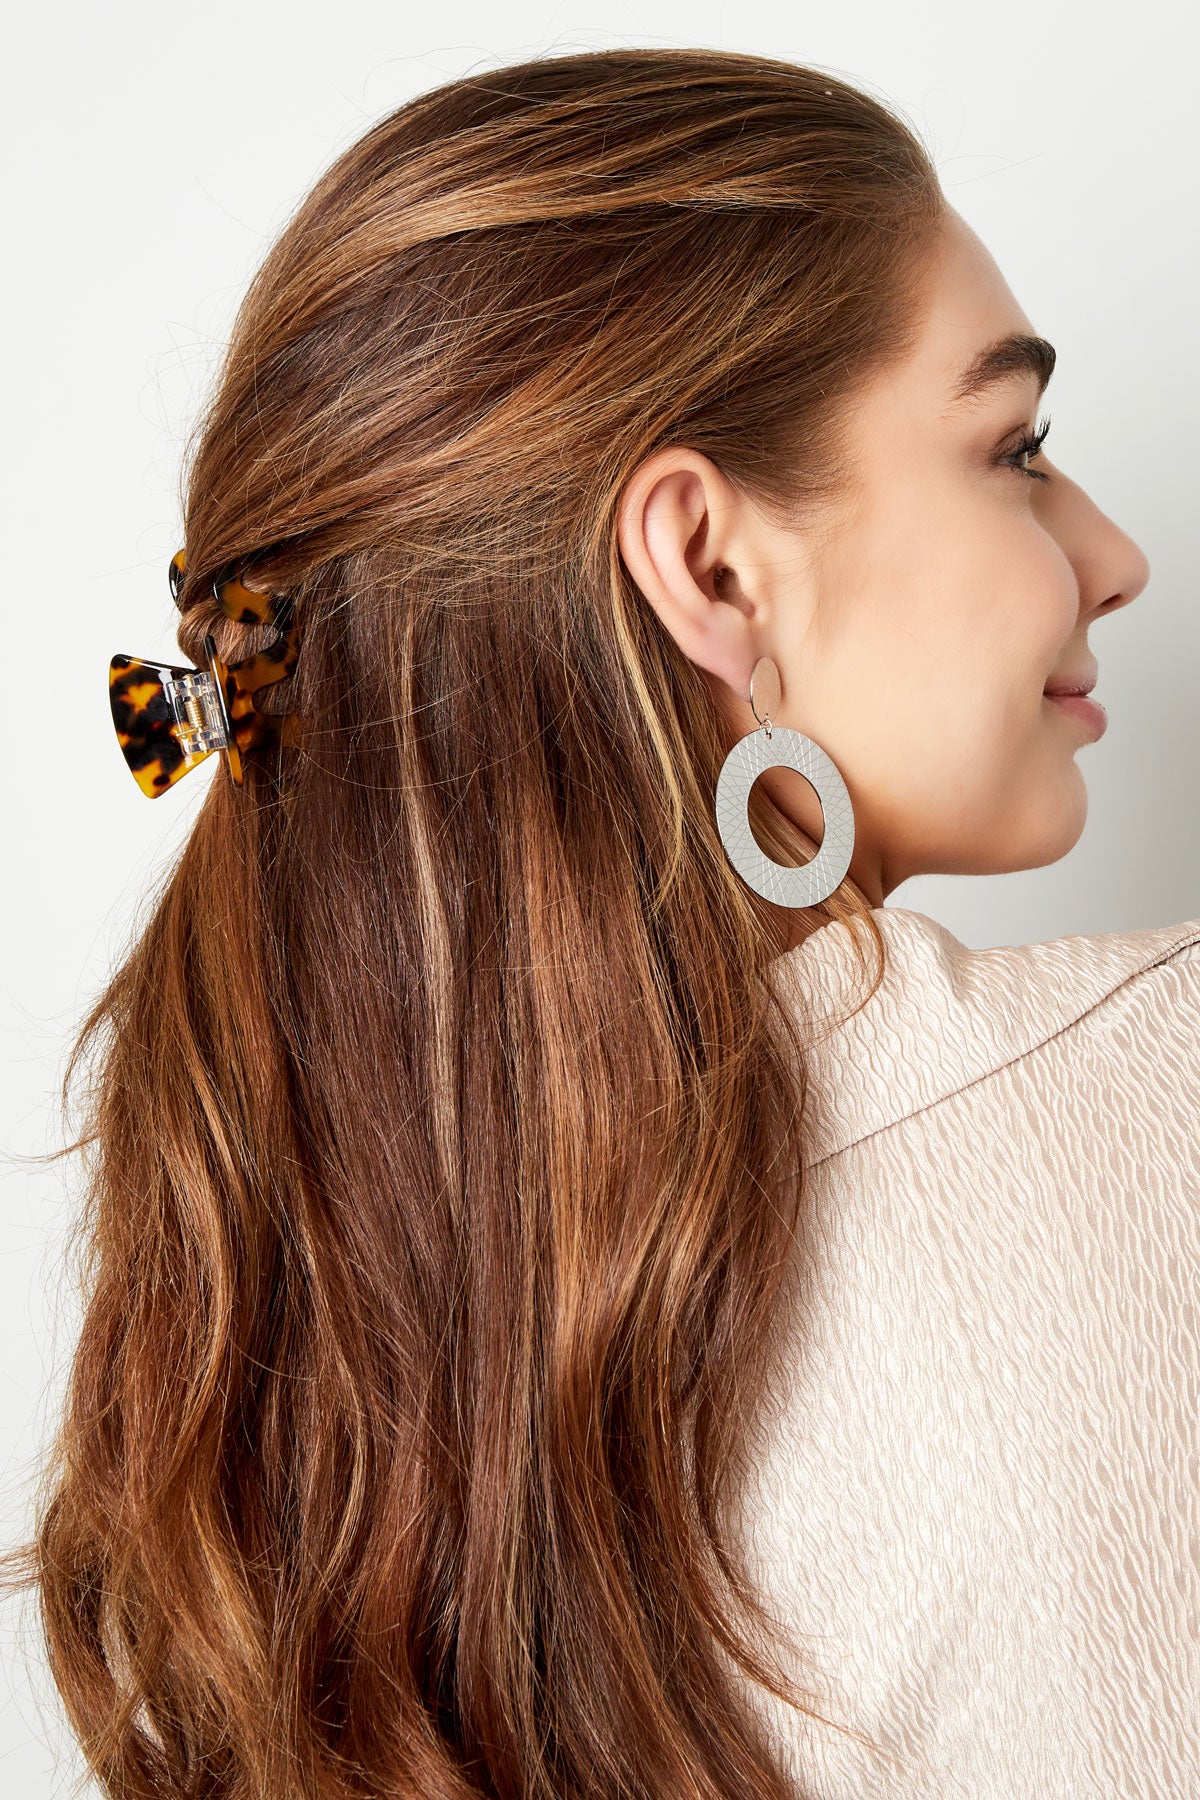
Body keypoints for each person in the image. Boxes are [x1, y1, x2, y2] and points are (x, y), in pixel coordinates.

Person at [20, 43, 1199, 1800]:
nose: (1115, 554)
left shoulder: (294, 1336)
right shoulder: (1159, 1095)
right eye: (1013, 447)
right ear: (708, 566)